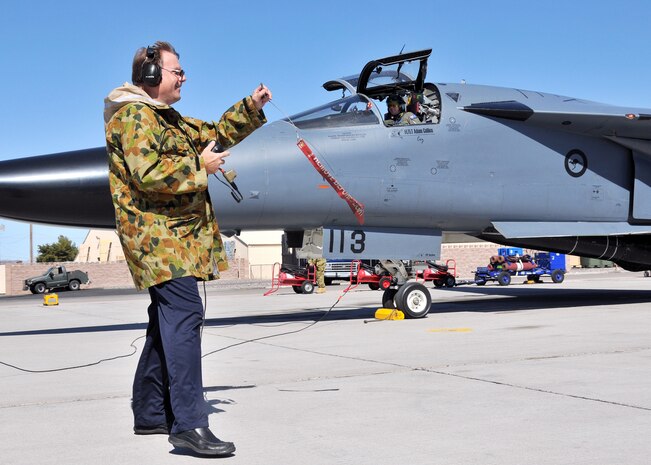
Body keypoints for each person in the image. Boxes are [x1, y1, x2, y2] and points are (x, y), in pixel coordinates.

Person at [103, 41, 271, 457]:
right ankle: (190, 425)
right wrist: (201, 168)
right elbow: (148, 175)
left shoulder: (167, 118)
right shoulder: (135, 117)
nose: (183, 77)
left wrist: (250, 107)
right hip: (159, 241)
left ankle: (150, 413)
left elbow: (212, 135)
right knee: (185, 317)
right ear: (150, 76)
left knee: (165, 323)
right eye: (177, 71)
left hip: (173, 240)